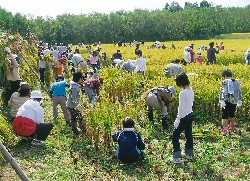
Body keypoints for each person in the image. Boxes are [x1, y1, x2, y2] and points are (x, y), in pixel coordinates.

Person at [172, 73, 194, 164]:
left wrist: (178, 119)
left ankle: (177, 157)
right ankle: (189, 154)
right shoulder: (191, 91)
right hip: (190, 115)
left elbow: (181, 108)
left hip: (183, 117)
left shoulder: (182, 93)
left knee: (175, 136)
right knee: (188, 134)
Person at [219, 69, 242, 136]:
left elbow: (223, 92)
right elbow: (239, 91)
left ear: (225, 75)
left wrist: (222, 100)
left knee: (224, 116)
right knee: (232, 114)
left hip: (226, 101)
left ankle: (224, 131)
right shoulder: (237, 81)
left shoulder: (225, 81)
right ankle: (232, 127)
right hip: (234, 101)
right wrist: (239, 100)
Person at [66, 71, 86, 135]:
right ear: (79, 78)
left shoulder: (74, 84)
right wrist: (77, 106)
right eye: (81, 78)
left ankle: (80, 130)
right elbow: (73, 97)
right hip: (72, 106)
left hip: (71, 105)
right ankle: (78, 132)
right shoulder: (75, 87)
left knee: (76, 118)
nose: (82, 79)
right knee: (76, 118)